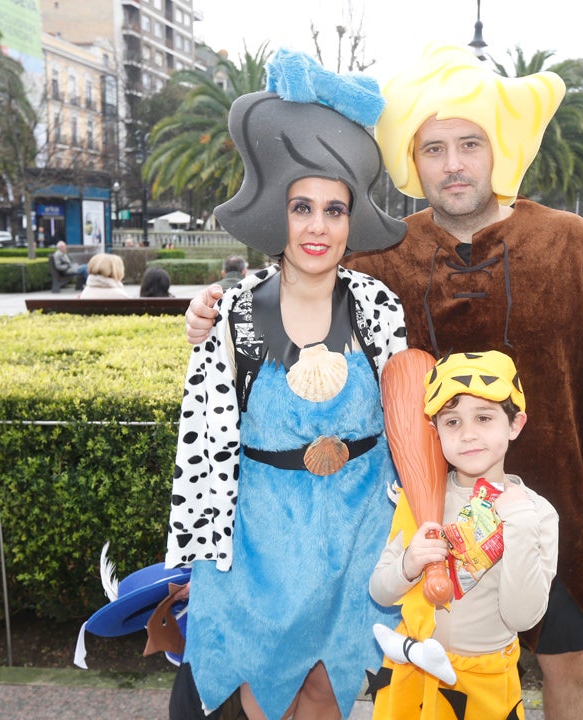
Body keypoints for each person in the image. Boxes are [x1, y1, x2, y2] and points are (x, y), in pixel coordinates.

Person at [185, 43, 583, 720]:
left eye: (469, 143)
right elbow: (300, 279)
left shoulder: (573, 242)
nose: (453, 164)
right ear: (412, 160)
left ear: (498, 148)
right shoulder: (384, 253)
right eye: (434, 149)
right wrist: (214, 306)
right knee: (439, 685)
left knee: (571, 673)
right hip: (434, 522)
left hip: (557, 505)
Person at [166, 50, 410, 720]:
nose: (318, 227)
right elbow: (204, 438)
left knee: (326, 686)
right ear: (281, 212)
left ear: (351, 221)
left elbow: (411, 424)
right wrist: (196, 555)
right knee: (249, 686)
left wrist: (423, 525)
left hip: (359, 529)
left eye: (335, 210)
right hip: (260, 536)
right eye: (303, 207)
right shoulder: (232, 312)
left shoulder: (379, 308)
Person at [370, 350, 558, 720]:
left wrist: (518, 524)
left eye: (484, 417)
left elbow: (522, 617)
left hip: (482, 684)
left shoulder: (537, 513)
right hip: (414, 672)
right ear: (434, 431)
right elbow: (379, 590)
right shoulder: (418, 497)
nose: (468, 434)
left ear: (515, 424)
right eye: (452, 421)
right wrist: (409, 563)